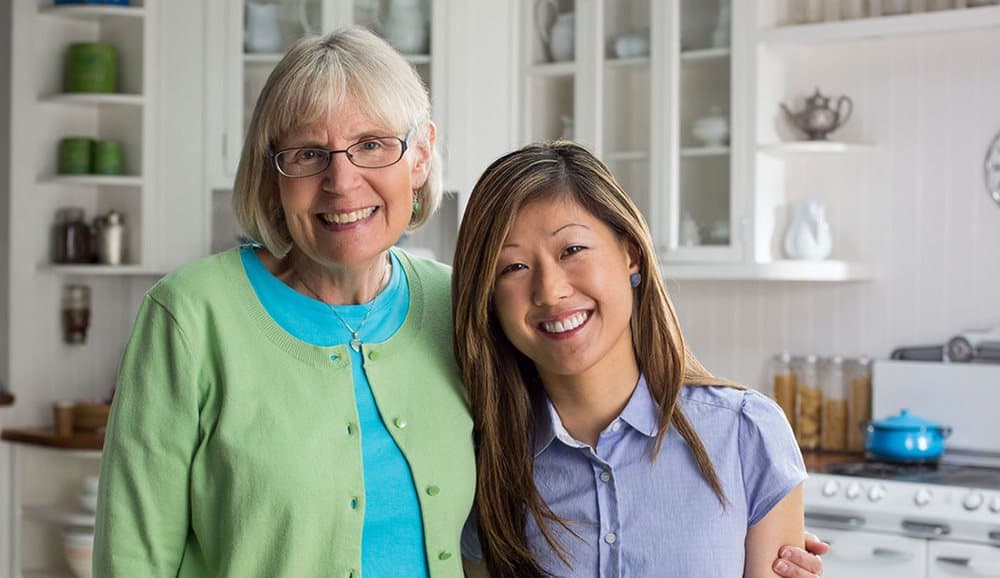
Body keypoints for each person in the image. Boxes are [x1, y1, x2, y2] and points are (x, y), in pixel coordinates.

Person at [94, 27, 825, 578]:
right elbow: (131, 554)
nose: (342, 183)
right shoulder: (191, 316)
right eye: (308, 154)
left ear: (420, 157)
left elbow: (590, 392)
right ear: (273, 171)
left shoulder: (454, 302)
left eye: (373, 144)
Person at [453, 141, 813, 577]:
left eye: (572, 251)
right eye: (512, 268)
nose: (550, 291)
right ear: (488, 298)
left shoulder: (745, 434)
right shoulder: (485, 468)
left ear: (631, 254)